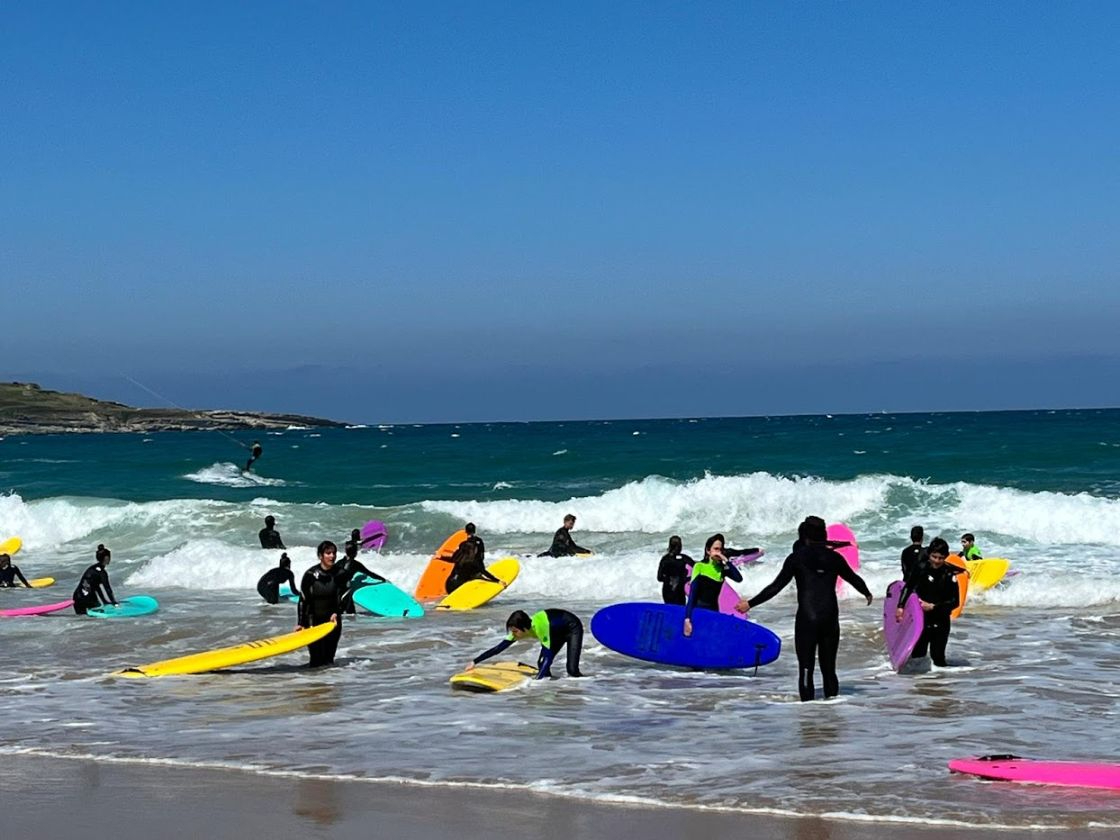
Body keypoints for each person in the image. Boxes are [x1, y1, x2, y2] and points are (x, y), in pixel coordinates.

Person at [737, 516, 873, 702]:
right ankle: (833, 713)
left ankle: (808, 716)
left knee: (806, 669)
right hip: (829, 617)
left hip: (807, 619)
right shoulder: (835, 557)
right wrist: (867, 593)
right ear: (824, 534)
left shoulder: (796, 558)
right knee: (829, 669)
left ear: (805, 536)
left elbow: (775, 587)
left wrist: (750, 604)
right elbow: (853, 578)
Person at [468, 609, 585, 679]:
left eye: (515, 631)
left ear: (524, 628)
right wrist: (475, 661)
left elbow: (548, 657)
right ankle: (553, 688)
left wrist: (536, 682)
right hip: (555, 632)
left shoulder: (539, 628)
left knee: (572, 671)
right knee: (541, 665)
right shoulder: (518, 630)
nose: (513, 634)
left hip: (572, 628)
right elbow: (497, 649)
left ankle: (589, 681)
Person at [896, 537, 959, 667]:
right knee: (917, 657)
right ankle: (919, 685)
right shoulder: (921, 568)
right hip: (921, 620)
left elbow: (955, 601)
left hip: (941, 621)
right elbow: (908, 586)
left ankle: (939, 684)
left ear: (946, 556)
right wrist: (900, 606)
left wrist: (933, 607)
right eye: (934, 557)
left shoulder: (949, 574)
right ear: (929, 554)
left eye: (940, 558)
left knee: (939, 659)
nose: (936, 561)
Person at [682, 534, 743, 635]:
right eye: (716, 549)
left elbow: (739, 578)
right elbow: (692, 595)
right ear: (708, 550)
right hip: (698, 612)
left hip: (714, 612)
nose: (718, 552)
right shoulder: (699, 566)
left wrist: (726, 561)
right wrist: (687, 619)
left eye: (720, 549)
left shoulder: (722, 569)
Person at [297, 541, 343, 667]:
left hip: (333, 621)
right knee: (316, 660)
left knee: (329, 660)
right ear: (320, 555)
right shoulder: (310, 575)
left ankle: (328, 685)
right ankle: (314, 684)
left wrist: (336, 612)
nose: (332, 556)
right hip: (313, 621)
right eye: (328, 553)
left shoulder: (340, 574)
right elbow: (303, 600)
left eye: (334, 553)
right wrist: (301, 623)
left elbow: (344, 597)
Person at [334, 539, 387, 614]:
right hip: (345, 590)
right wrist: (382, 579)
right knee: (351, 614)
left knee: (340, 614)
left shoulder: (339, 563)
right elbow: (370, 573)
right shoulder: (355, 564)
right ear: (355, 553)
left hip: (335, 591)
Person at [446, 523, 499, 593]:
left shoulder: (462, 545)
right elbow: (481, 559)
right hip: (475, 572)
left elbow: (454, 560)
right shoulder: (479, 542)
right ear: (474, 531)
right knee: (479, 577)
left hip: (459, 578)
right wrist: (497, 580)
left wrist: (442, 558)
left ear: (466, 531)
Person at [72, 544, 117, 615]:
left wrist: (104, 601)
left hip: (77, 596)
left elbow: (96, 587)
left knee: (81, 620)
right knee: (98, 615)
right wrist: (114, 603)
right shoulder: (102, 573)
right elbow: (107, 589)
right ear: (106, 558)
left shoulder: (91, 569)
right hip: (87, 598)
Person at [657, 536, 693, 605]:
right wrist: (687, 578)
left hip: (667, 591)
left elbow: (659, 578)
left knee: (670, 610)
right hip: (679, 591)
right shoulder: (684, 558)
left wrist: (669, 579)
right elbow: (696, 567)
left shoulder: (665, 559)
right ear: (679, 546)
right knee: (680, 611)